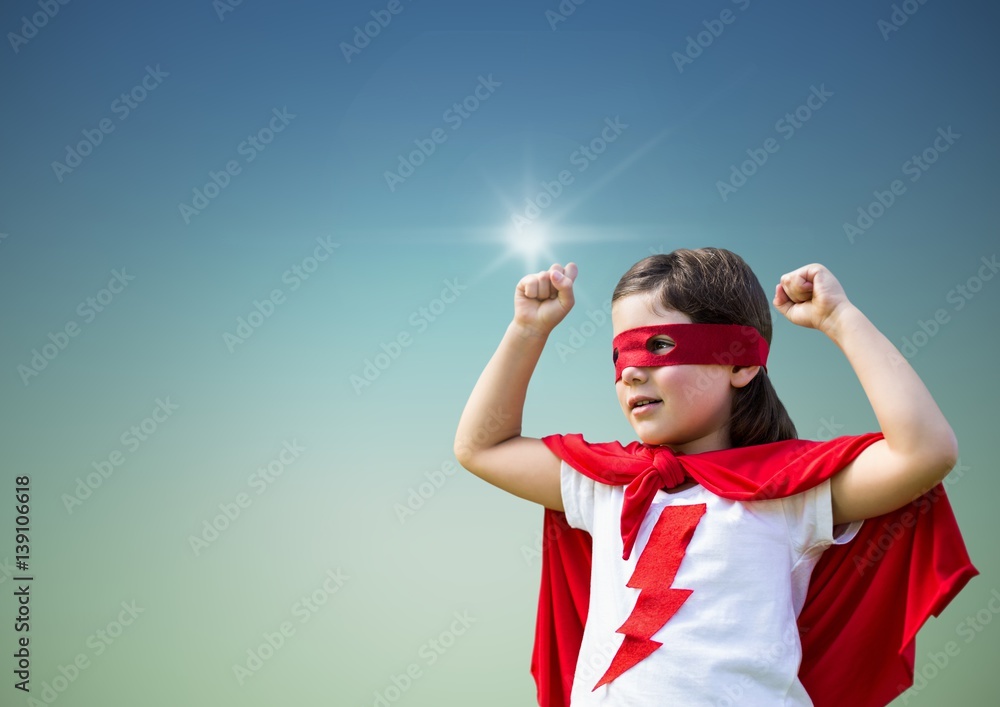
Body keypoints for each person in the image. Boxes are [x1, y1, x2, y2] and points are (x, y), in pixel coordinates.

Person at [453, 248, 975, 706]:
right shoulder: (605, 483)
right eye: (619, 355)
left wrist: (840, 318)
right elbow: (482, 447)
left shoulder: (791, 491)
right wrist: (527, 330)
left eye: (658, 346)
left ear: (740, 362)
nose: (631, 370)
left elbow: (924, 452)